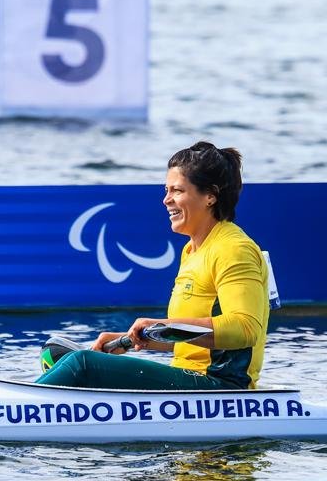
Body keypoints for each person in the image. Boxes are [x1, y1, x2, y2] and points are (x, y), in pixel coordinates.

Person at [37, 141, 269, 390]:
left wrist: (162, 325)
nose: (166, 200)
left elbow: (245, 329)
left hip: (222, 386)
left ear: (210, 196)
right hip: (189, 378)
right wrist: (125, 341)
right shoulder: (192, 250)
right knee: (60, 355)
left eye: (177, 191)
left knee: (82, 364)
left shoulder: (233, 249)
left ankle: (11, 408)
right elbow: (192, 337)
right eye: (166, 190)